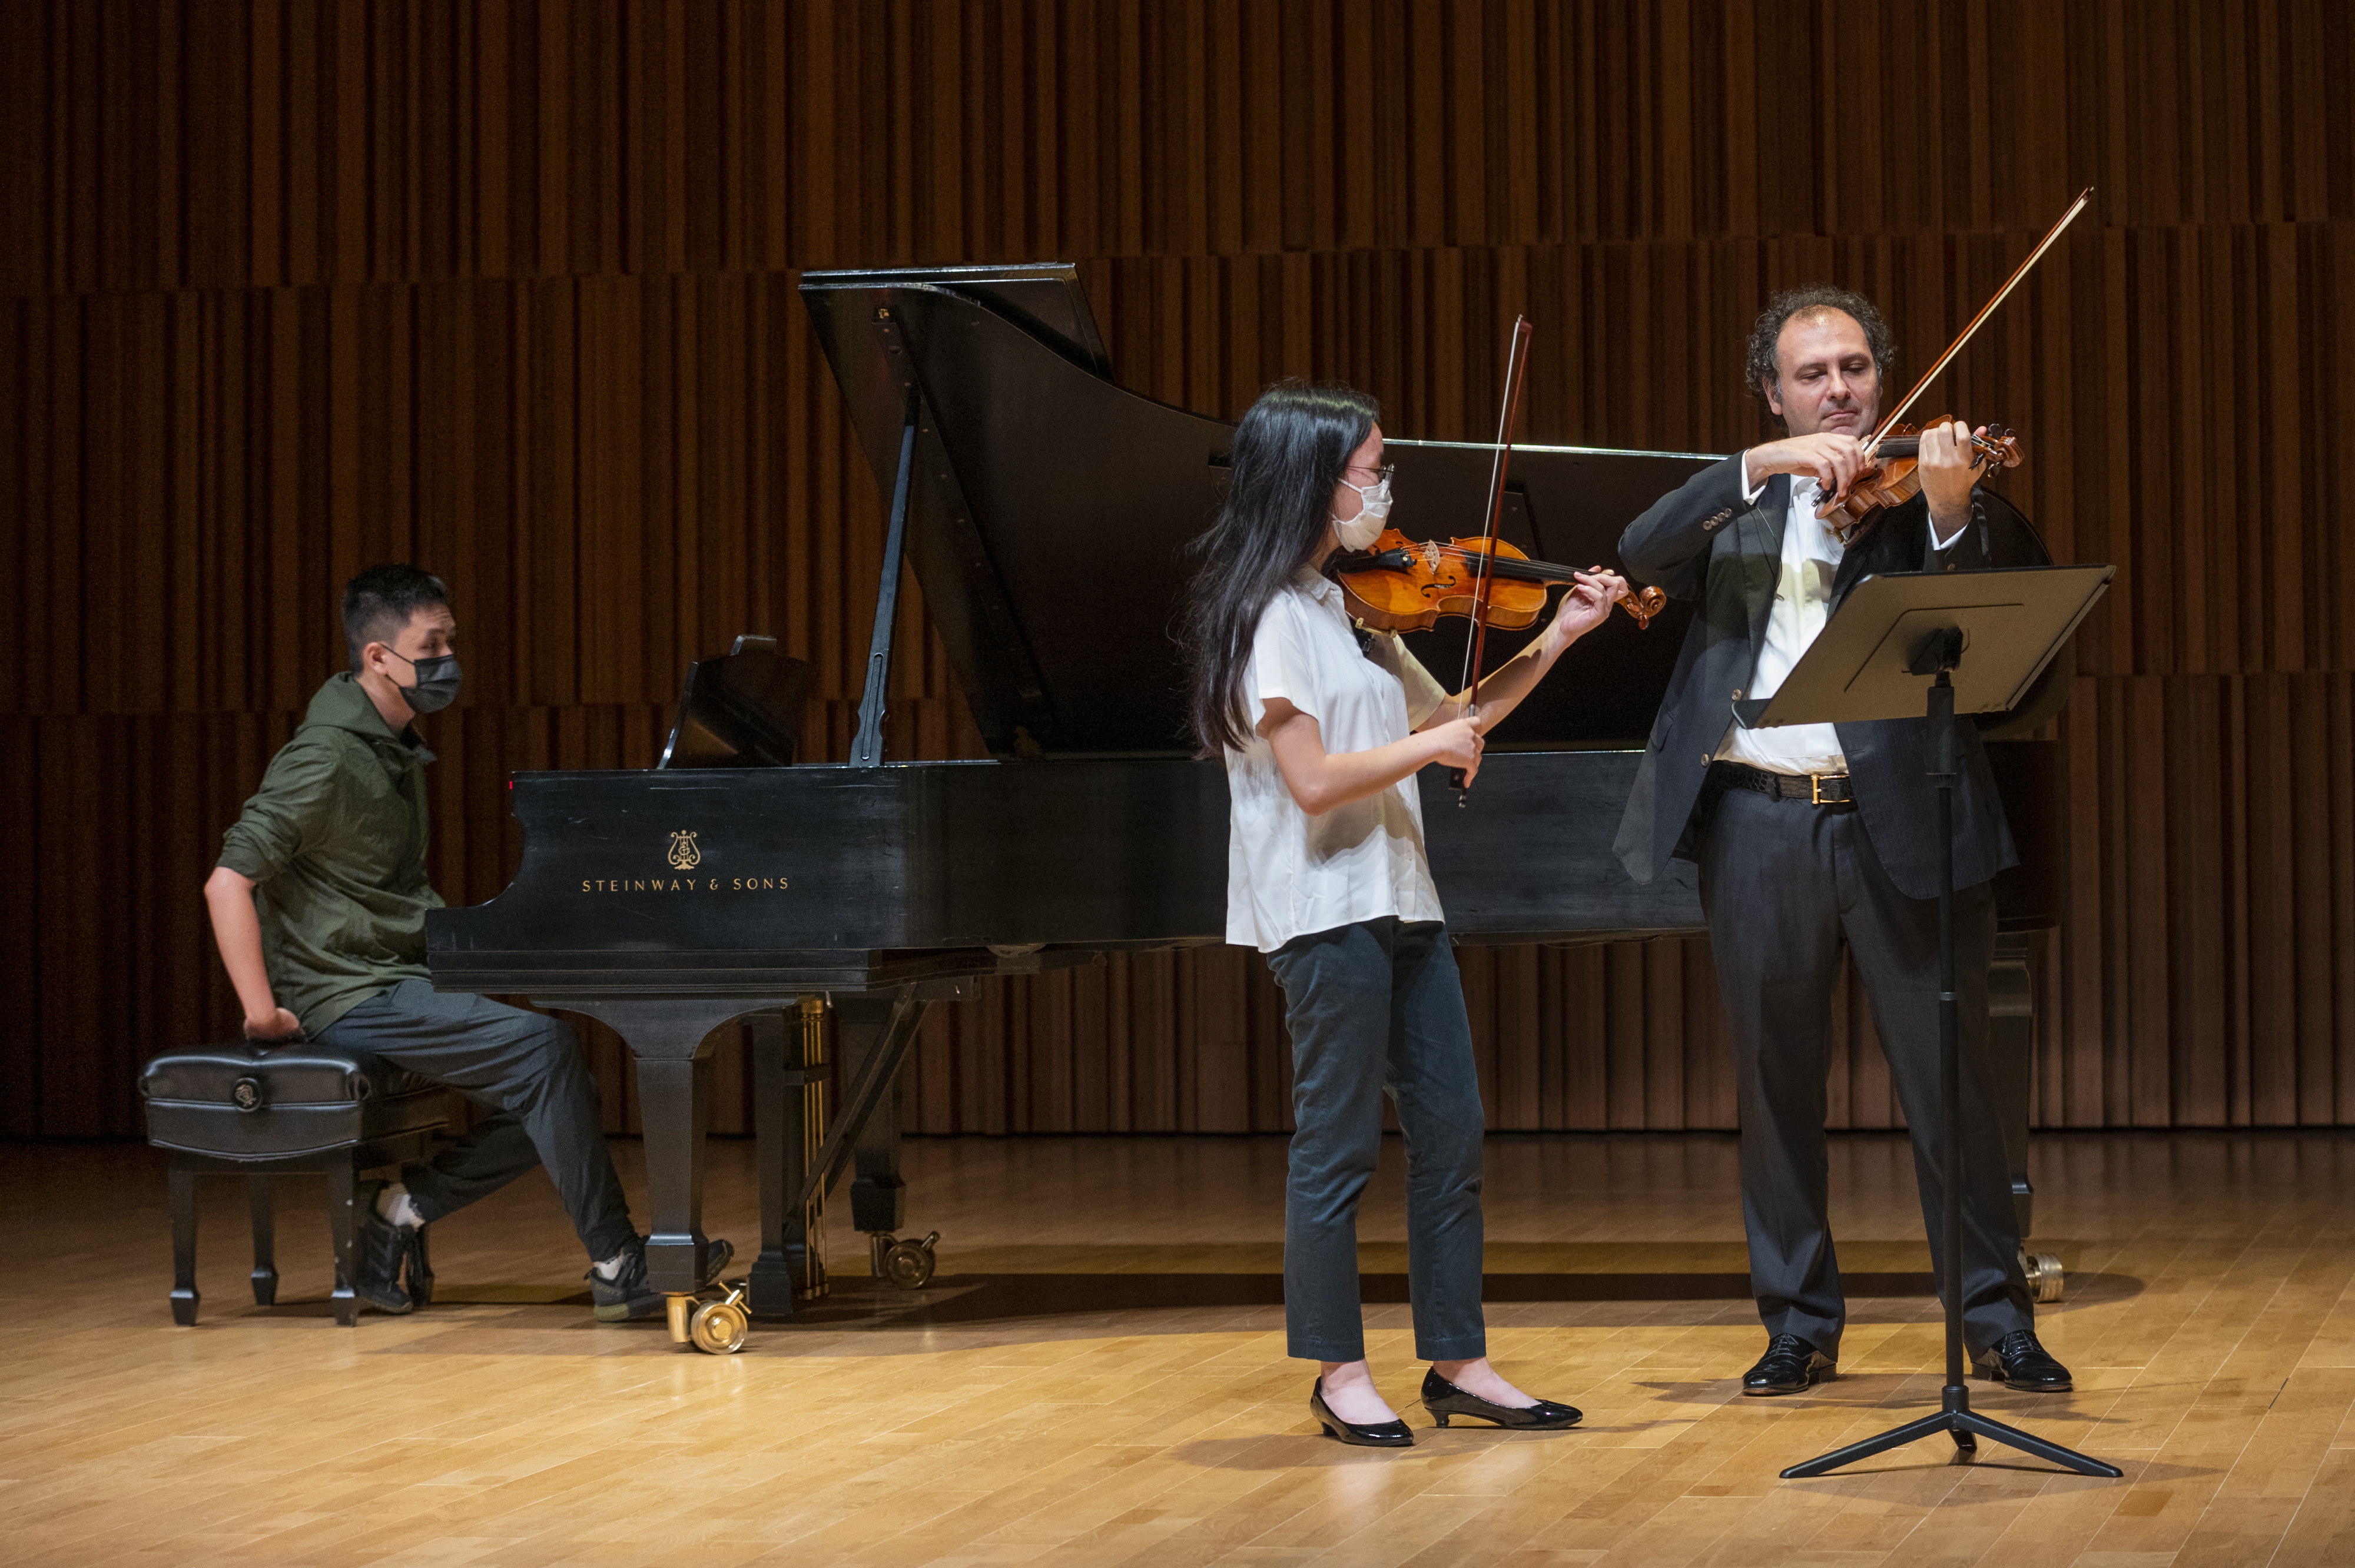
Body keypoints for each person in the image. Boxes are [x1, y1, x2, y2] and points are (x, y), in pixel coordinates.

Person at [1612, 285, 2076, 1397]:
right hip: (1759, 823)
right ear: (1773, 394)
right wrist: (1758, 466)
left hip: (1906, 815)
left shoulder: (1931, 502)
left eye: (1856, 368)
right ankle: (1799, 1323)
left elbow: (2005, 655)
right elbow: (1637, 547)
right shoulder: (1739, 508)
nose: (1840, 388)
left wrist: (1955, 519)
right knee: (1775, 1087)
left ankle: (1994, 1317)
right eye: (1812, 373)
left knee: (1950, 1082)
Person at [1180, 380, 1624, 1446]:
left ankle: (1459, 1357)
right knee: (1336, 1144)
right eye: (1374, 471)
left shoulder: (1352, 609)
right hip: (1323, 905)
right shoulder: (1272, 618)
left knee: (1451, 1127)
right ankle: (1338, 1368)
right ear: (1317, 481)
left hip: (1402, 895)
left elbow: (1460, 716)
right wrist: (1430, 749)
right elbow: (1317, 780)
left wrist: (1560, 634)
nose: (1385, 491)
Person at [203, 564, 730, 1320]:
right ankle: (619, 1265)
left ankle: (400, 1213)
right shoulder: (322, 758)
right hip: (344, 993)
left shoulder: (387, 742)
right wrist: (262, 1013)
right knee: (544, 1052)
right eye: (432, 644)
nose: (449, 660)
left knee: (559, 1084)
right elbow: (228, 881)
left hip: (391, 976)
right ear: (378, 656)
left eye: (451, 640)